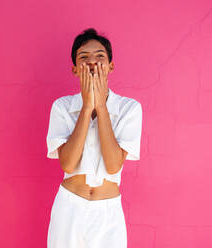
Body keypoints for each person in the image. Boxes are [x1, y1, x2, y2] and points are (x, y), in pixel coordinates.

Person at [46, 28, 143, 248]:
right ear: (74, 69)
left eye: (100, 56)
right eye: (84, 57)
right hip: (69, 207)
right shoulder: (61, 107)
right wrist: (87, 105)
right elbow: (68, 164)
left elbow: (113, 165)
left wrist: (100, 104)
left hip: (108, 213)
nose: (92, 62)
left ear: (111, 66)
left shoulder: (130, 109)